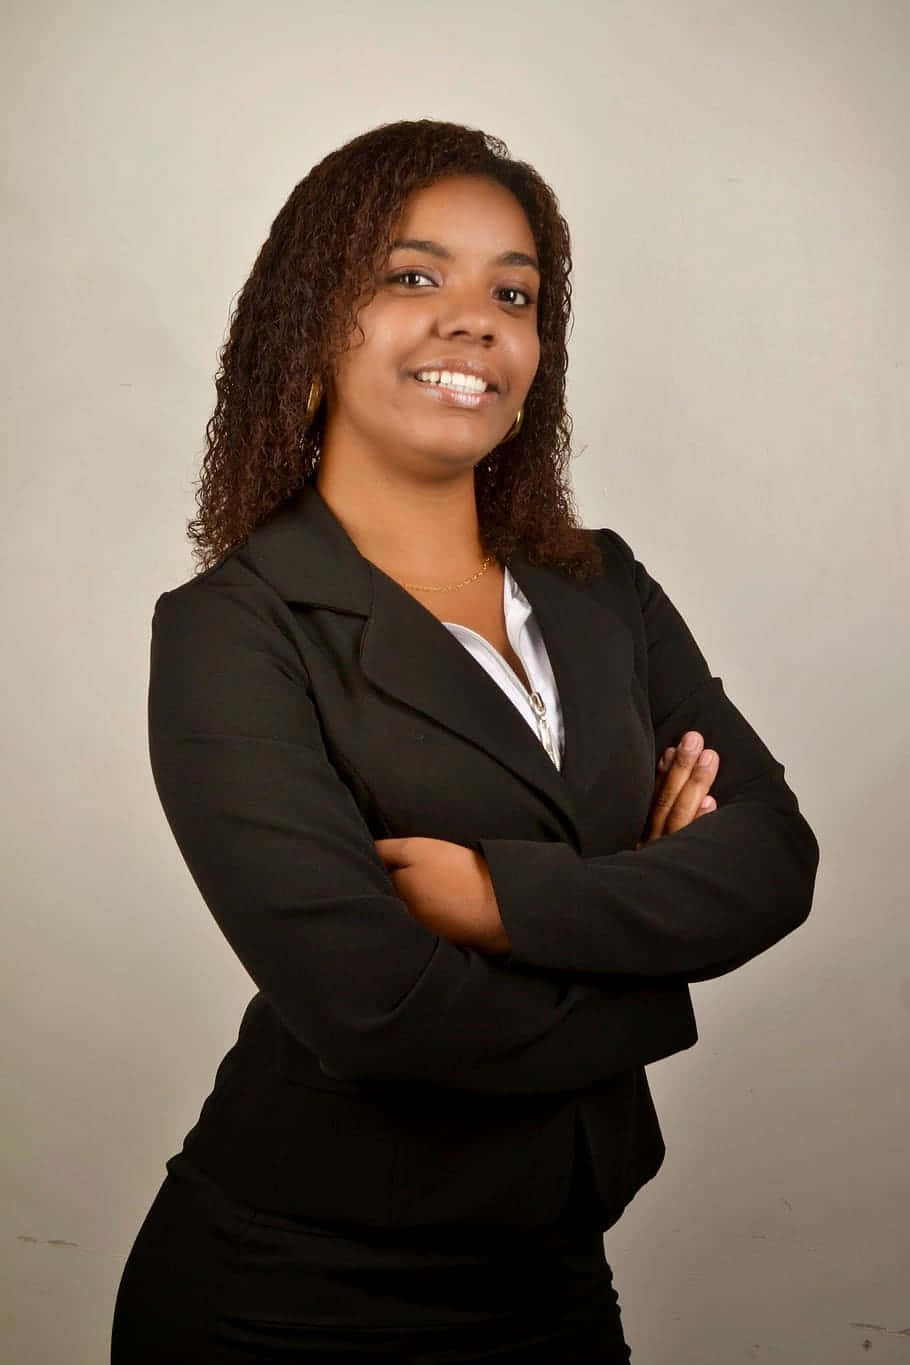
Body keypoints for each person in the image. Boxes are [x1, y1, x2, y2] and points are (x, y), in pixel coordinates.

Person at [111, 119, 819, 1363]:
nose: (474, 320)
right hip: (291, 1296)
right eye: (411, 277)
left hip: (549, 1278)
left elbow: (774, 857)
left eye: (515, 292)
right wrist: (656, 945)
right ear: (311, 328)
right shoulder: (235, 629)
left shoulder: (602, 587)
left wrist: (497, 900)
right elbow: (373, 1008)